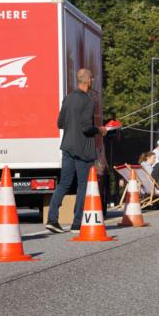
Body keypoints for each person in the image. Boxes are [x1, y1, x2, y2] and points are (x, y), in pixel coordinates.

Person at [45, 68, 107, 233]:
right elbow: (87, 128)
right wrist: (99, 130)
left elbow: (60, 123)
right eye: (92, 78)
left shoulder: (68, 98)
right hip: (83, 149)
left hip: (67, 147)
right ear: (89, 81)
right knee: (82, 186)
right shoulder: (88, 101)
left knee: (64, 183)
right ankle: (77, 223)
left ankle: (52, 219)